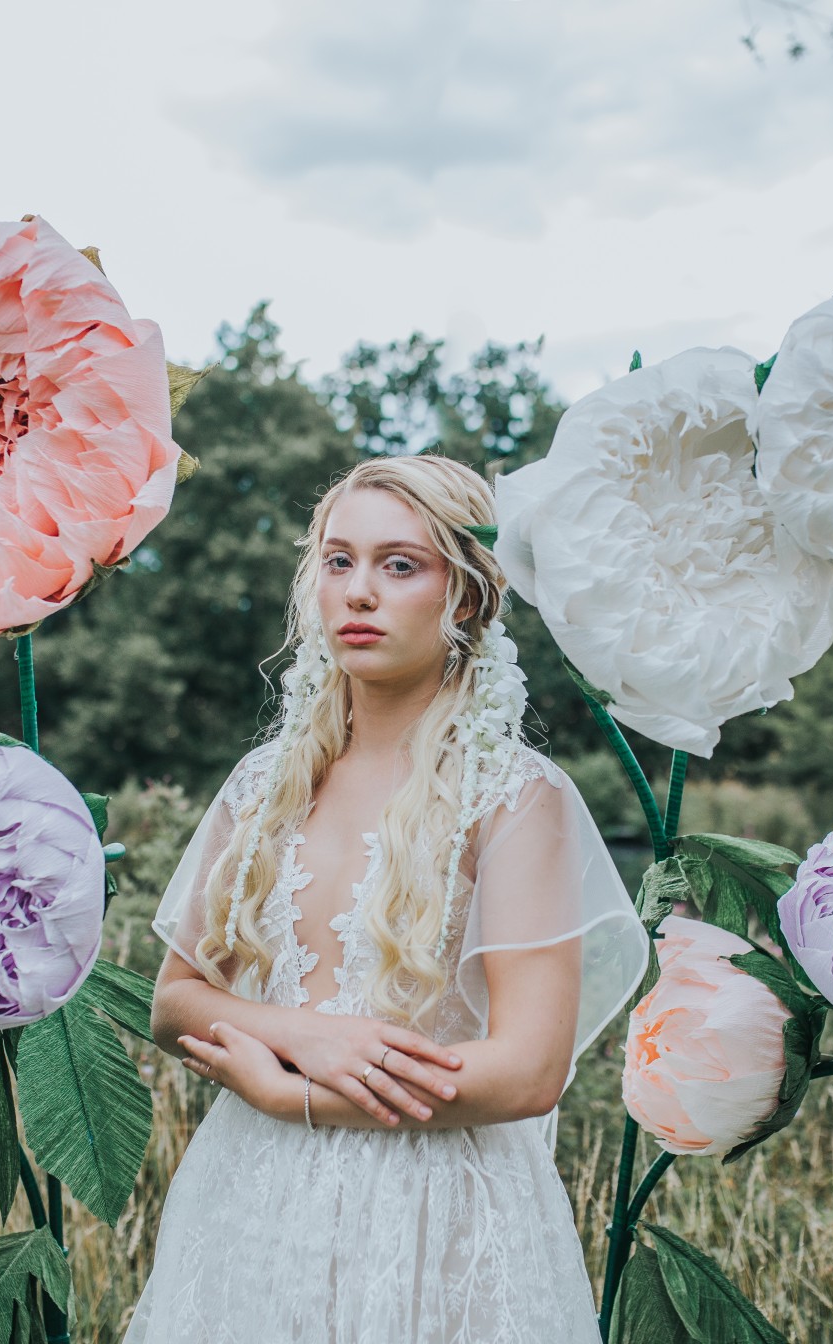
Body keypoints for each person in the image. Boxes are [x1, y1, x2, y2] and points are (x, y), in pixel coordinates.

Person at [125, 455, 650, 1344]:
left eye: (400, 565)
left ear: (470, 596)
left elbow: (527, 1071)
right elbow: (175, 1002)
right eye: (339, 561)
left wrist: (293, 1095)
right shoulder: (265, 785)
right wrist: (303, 1035)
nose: (358, 593)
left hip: (437, 1221)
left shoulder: (516, 796)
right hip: (249, 1203)